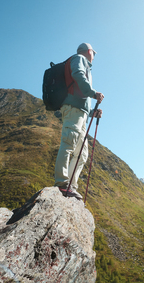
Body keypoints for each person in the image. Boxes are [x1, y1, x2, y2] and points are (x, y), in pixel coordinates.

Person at [54, 42, 104, 200]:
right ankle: (62, 184)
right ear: (89, 51)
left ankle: (70, 186)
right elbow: (77, 74)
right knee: (69, 143)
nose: (94, 57)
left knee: (82, 153)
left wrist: (92, 112)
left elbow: (79, 97)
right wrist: (93, 93)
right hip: (73, 111)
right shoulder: (79, 59)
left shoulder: (82, 61)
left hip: (80, 112)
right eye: (93, 53)